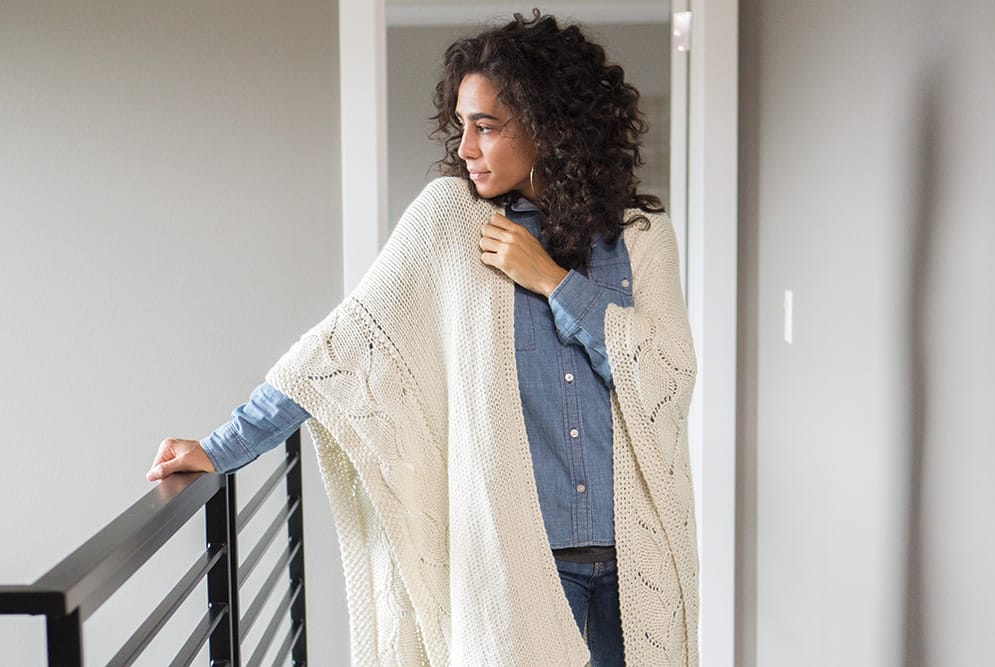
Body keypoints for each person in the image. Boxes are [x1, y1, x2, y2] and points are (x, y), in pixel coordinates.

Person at [148, 10, 698, 666]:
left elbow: (668, 372)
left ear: (549, 127)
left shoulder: (639, 235)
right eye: (461, 124)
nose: (465, 147)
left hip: (635, 557)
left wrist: (552, 281)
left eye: (486, 126)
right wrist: (221, 447)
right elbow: (342, 347)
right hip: (519, 567)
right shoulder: (449, 221)